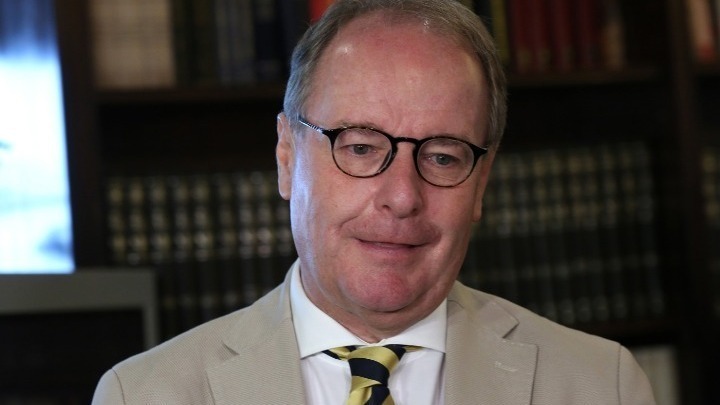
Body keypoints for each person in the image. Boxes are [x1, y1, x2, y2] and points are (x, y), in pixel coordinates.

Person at [92, 0, 656, 403]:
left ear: (481, 183)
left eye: (443, 157)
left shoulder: (601, 385)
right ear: (287, 157)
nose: (403, 198)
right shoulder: (143, 394)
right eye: (360, 147)